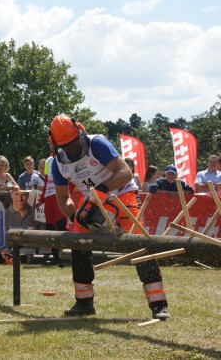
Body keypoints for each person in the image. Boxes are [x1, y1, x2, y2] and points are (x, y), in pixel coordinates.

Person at [49, 114, 170, 320]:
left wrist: (101, 192)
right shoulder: (57, 163)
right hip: (91, 199)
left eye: (74, 142)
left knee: (138, 243)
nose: (72, 148)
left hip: (122, 193)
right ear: (56, 144)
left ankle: (158, 304)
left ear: (80, 131)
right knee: (79, 244)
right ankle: (84, 302)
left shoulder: (97, 144)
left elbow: (125, 172)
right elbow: (62, 197)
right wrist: (74, 216)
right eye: (66, 146)